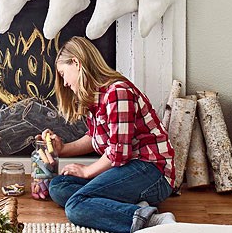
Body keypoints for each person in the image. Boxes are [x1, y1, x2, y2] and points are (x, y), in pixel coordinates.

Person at [41, 36, 176, 233]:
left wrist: (87, 171)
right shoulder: (95, 97)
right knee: (58, 187)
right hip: (128, 168)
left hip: (152, 171)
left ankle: (154, 221)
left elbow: (119, 153)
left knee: (75, 206)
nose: (64, 82)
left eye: (63, 73)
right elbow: (94, 138)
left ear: (77, 63)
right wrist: (63, 149)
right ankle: (135, 207)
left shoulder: (118, 92)